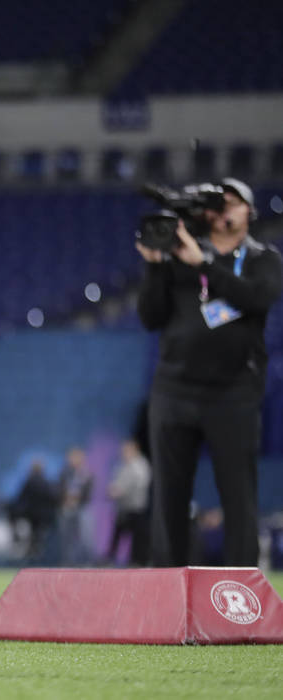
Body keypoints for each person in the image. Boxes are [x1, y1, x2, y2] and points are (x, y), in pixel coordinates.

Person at [137, 177, 283, 566]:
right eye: (217, 204)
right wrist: (155, 268)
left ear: (249, 213)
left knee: (238, 495)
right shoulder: (179, 256)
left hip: (233, 393)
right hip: (174, 389)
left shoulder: (262, 259)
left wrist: (204, 265)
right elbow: (151, 317)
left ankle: (241, 593)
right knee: (169, 494)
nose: (223, 210)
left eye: (233, 203)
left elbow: (257, 298)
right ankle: (166, 590)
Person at [106, 440, 152, 566]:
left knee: (138, 537)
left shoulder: (140, 465)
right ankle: (110, 558)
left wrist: (121, 490)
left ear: (134, 450)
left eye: (126, 450)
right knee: (117, 533)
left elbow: (140, 483)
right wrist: (113, 489)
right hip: (124, 507)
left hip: (137, 507)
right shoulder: (122, 465)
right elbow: (118, 481)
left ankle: (137, 561)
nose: (123, 453)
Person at [8, 460, 59, 563]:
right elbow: (53, 497)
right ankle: (38, 555)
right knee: (39, 538)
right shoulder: (46, 482)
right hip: (44, 517)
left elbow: (21, 499)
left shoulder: (29, 482)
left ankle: (32, 554)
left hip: (32, 516)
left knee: (34, 537)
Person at [58, 447, 93, 566]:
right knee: (66, 538)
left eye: (76, 457)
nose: (74, 460)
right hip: (66, 508)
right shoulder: (65, 473)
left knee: (84, 537)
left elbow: (88, 492)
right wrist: (65, 499)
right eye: (72, 457)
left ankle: (86, 562)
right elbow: (59, 488)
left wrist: (78, 499)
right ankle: (68, 563)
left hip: (81, 508)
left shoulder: (86, 473)